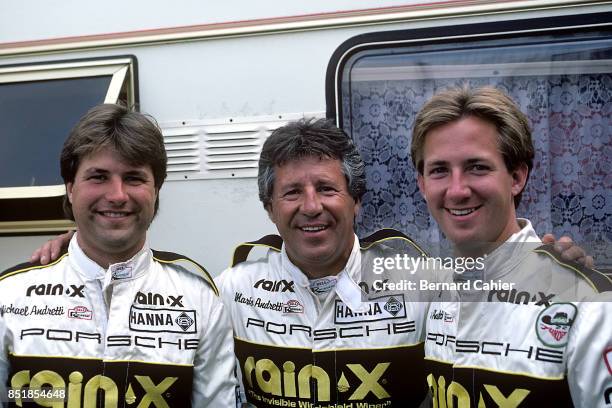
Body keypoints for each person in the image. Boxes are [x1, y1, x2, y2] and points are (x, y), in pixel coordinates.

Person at [0, 104, 237, 407]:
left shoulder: (200, 298)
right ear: (70, 189)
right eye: (98, 177)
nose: (117, 195)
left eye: (134, 178)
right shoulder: (9, 294)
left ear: (156, 191)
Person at [411, 86, 612, 407]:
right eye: (439, 170)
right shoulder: (436, 295)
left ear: (517, 177)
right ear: (422, 185)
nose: (457, 190)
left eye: (477, 167)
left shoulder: (588, 304)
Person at [217, 118, 431, 406]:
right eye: (292, 192)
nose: (311, 207)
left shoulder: (421, 287)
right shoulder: (232, 291)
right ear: (270, 208)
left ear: (356, 200)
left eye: (326, 188)